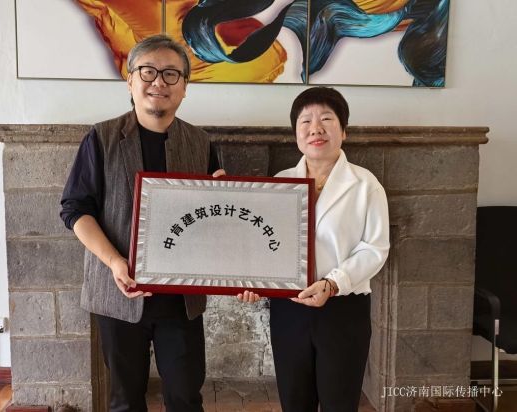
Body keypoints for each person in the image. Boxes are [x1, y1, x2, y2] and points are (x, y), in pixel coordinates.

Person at [60, 34, 224, 412]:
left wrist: (224, 201)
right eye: (148, 71)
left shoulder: (200, 143)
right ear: (130, 80)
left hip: (182, 300)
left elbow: (211, 221)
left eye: (171, 74)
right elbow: (75, 210)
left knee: (186, 398)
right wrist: (115, 262)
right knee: (125, 400)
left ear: (185, 86)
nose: (158, 82)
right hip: (118, 293)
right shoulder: (101, 138)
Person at [238, 87, 390, 412]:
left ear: (343, 131)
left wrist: (332, 283)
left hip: (343, 308)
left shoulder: (366, 185)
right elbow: (265, 244)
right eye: (305, 121)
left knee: (339, 403)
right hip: (289, 309)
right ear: (296, 134)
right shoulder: (280, 182)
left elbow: (375, 249)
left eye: (326, 119)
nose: (315, 128)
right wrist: (253, 282)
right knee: (295, 401)